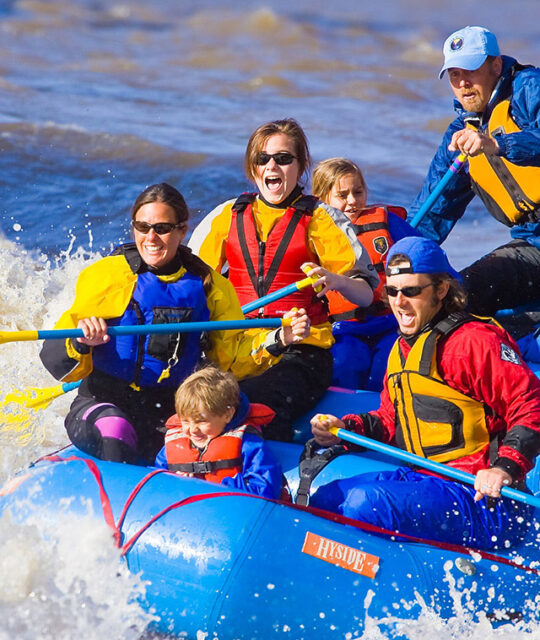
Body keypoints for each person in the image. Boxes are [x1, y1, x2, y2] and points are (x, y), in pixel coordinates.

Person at [39, 183, 309, 464]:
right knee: (116, 430)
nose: (151, 237)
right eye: (142, 227)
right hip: (104, 401)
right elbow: (56, 360)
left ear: (182, 230)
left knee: (226, 440)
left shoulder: (210, 286)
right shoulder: (108, 276)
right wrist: (81, 342)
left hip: (172, 407)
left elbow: (231, 359)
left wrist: (280, 339)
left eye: (162, 228)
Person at [310, 236, 540, 550]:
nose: (399, 302)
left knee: (365, 503)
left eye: (411, 291)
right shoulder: (402, 349)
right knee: (325, 498)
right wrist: (346, 430)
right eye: (392, 291)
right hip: (430, 481)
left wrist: (504, 468)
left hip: (485, 500)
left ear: (441, 289)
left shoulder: (474, 342)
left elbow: (531, 404)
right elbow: (392, 421)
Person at [189, 119, 379, 441]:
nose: (272, 165)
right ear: (253, 168)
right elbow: (188, 283)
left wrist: (337, 280)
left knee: (253, 403)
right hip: (238, 347)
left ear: (300, 166)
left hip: (302, 350)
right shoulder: (226, 216)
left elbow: (365, 295)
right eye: (263, 159)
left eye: (283, 158)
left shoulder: (321, 218)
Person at [409, 26, 540, 327]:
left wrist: (498, 145)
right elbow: (432, 211)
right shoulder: (459, 135)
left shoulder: (530, 88)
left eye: (470, 70)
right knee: (455, 299)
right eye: (454, 75)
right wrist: (397, 262)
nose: (463, 83)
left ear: (496, 66)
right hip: (532, 245)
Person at [312, 157, 421, 391]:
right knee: (346, 363)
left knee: (387, 364)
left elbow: (425, 256)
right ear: (322, 198)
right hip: (342, 330)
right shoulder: (311, 235)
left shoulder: (387, 223)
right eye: (342, 195)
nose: (352, 201)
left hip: (390, 322)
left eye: (358, 192)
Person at [154, 365, 283, 498]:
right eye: (185, 421)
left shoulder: (249, 446)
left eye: (201, 421)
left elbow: (265, 489)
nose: (192, 430)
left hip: (231, 512)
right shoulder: (173, 445)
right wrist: (173, 482)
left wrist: (209, 488)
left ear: (228, 415)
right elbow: (154, 479)